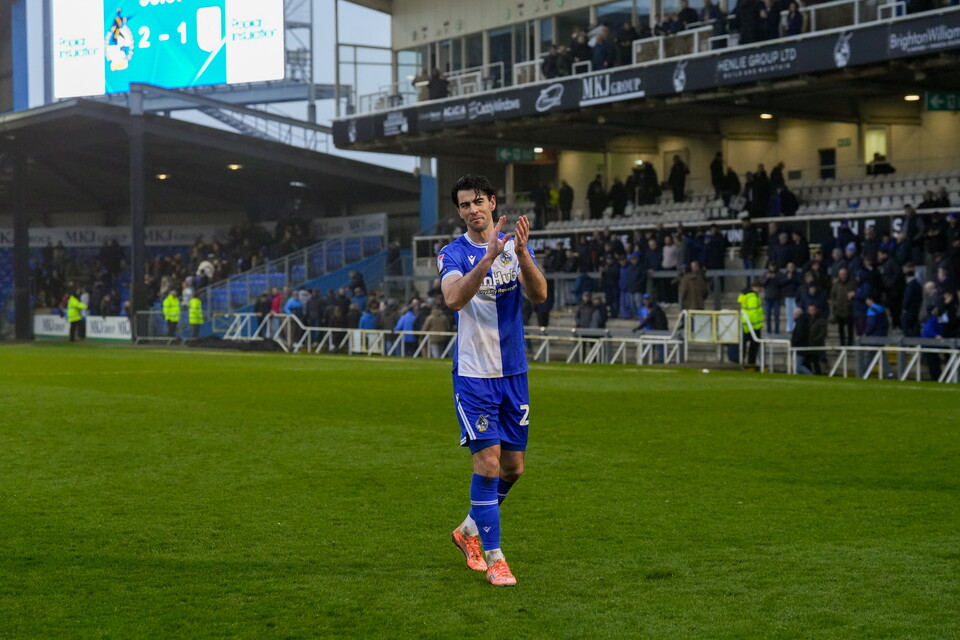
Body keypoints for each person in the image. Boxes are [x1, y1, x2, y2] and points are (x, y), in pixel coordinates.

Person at [440, 174, 547, 588]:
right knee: (487, 464)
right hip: (474, 375)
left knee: (514, 468)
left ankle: (468, 529)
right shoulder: (451, 253)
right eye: (465, 204)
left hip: (514, 373)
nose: (472, 210)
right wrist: (487, 259)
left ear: (492, 202)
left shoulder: (514, 248)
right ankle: (495, 557)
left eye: (478, 201)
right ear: (460, 212)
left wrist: (520, 254)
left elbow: (538, 295)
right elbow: (453, 299)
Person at [738, 279, 764, 366]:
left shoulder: (746, 296)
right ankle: (751, 363)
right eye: (758, 287)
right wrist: (757, 325)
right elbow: (753, 313)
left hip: (746, 325)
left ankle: (742, 361)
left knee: (744, 346)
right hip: (753, 326)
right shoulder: (753, 297)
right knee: (754, 346)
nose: (760, 289)